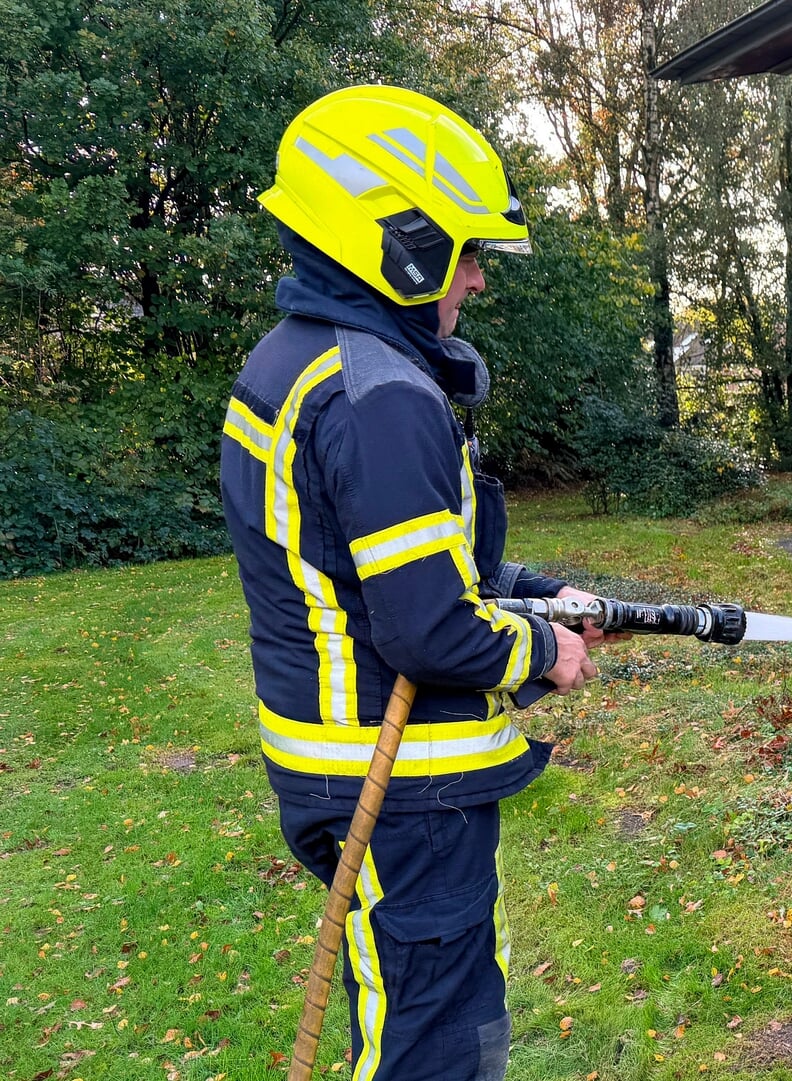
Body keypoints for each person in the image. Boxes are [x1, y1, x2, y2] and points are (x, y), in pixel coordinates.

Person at [220, 85, 614, 1081]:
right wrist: (541, 650)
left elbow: (396, 563)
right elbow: (429, 628)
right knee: (435, 1043)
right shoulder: (380, 396)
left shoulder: (301, 363)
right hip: (395, 786)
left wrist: (532, 588)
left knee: (420, 1006)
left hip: (348, 768)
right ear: (396, 241)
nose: (477, 279)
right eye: (464, 250)